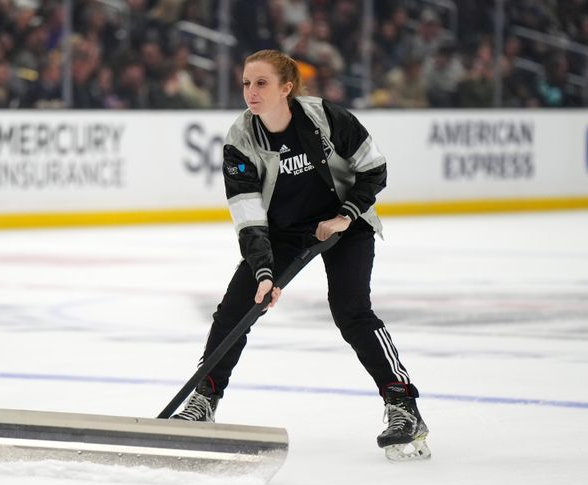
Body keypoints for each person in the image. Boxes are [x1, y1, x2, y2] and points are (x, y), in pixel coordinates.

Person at [171, 49, 430, 461]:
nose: (250, 93)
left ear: (286, 87)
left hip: (344, 223)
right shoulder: (240, 139)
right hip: (282, 232)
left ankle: (403, 406)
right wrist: (263, 271)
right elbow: (248, 213)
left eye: (261, 83)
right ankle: (204, 401)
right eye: (245, 83)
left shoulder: (325, 118)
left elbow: (374, 168)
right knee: (237, 307)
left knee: (351, 311)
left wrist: (346, 215)